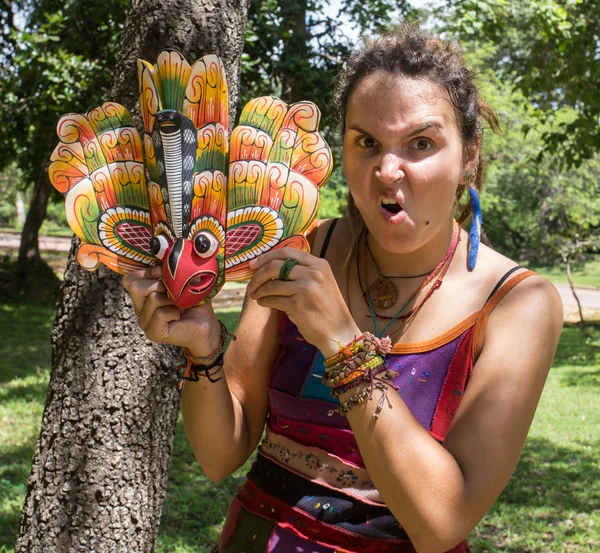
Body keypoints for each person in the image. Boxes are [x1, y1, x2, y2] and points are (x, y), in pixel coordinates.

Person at [123, 25, 563, 553]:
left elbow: (441, 523)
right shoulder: (303, 250)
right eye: (367, 143)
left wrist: (341, 341)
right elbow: (220, 456)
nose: (387, 170)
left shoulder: (519, 303)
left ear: (468, 155)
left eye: (421, 143)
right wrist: (205, 350)